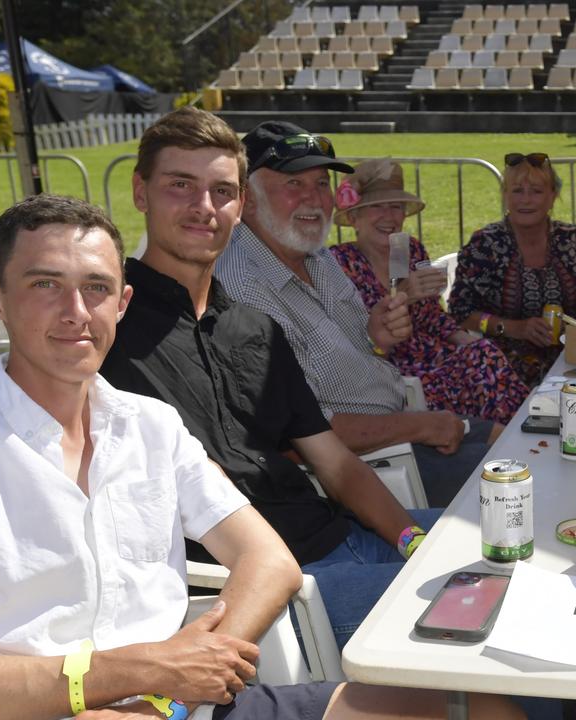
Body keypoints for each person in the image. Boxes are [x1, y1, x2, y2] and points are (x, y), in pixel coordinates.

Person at [0, 192, 521, 720]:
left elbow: (270, 561)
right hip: (42, 709)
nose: (77, 311)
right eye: (45, 284)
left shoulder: (149, 426)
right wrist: (135, 674)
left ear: (122, 303)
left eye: (96, 288)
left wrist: (174, 689)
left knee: (478, 708)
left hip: (177, 706)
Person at [101, 108, 442, 650]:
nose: (203, 207)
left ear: (240, 205)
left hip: (341, 536)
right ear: (141, 193)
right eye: (180, 186)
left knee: (500, 542)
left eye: (221, 191)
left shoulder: (253, 327)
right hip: (273, 593)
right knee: (494, 604)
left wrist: (410, 537)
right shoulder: (107, 335)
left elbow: (334, 463)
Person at [212, 120, 498, 509]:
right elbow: (301, 433)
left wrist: (375, 336)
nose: (314, 199)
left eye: (321, 184)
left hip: (399, 423)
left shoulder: (317, 256)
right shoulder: (242, 291)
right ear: (247, 199)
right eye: (294, 184)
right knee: (522, 481)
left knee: (519, 438)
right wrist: (421, 424)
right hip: (372, 467)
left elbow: (358, 350)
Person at [329, 158, 530, 426]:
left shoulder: (409, 249)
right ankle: (498, 441)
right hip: (389, 371)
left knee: (485, 353)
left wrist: (463, 337)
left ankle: (518, 435)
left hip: (434, 355)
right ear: (354, 216)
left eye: (396, 207)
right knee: (475, 372)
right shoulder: (339, 263)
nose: (389, 217)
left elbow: (433, 316)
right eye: (377, 206)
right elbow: (352, 337)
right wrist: (402, 294)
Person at [447, 152, 576, 386]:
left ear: (552, 196)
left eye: (537, 191)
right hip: (501, 366)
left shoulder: (573, 241)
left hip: (571, 359)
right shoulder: (485, 245)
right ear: (505, 196)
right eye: (517, 191)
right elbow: (461, 313)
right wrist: (512, 328)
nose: (525, 200)